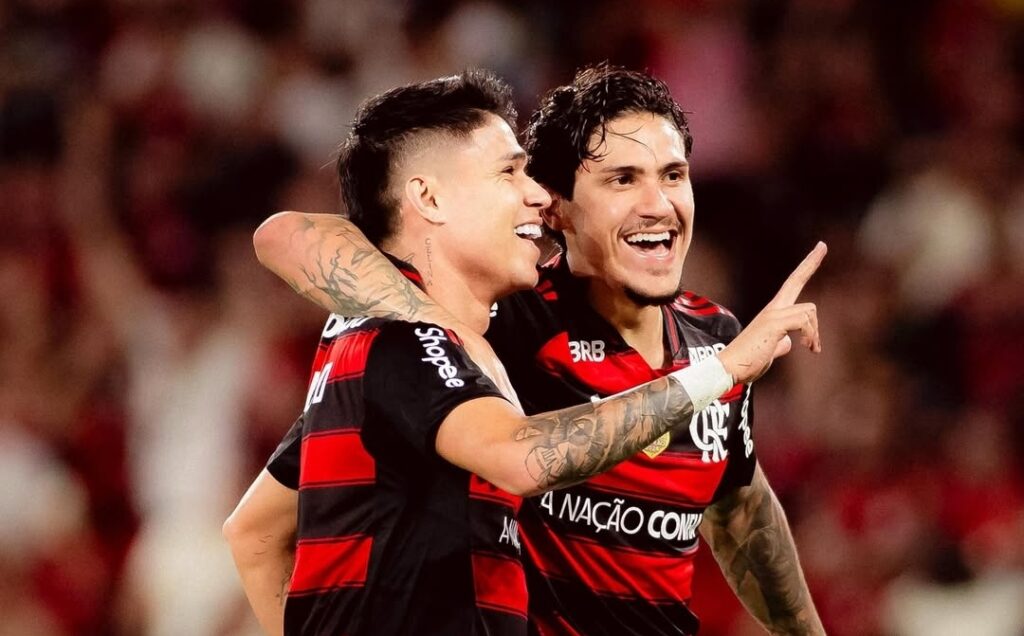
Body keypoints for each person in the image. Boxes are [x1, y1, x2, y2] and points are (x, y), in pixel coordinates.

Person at [227, 67, 826, 635]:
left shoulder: (714, 335)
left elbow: (743, 510)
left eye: (673, 175)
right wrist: (437, 324)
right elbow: (285, 235)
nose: (658, 203)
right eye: (622, 180)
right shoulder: (495, 324)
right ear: (560, 207)